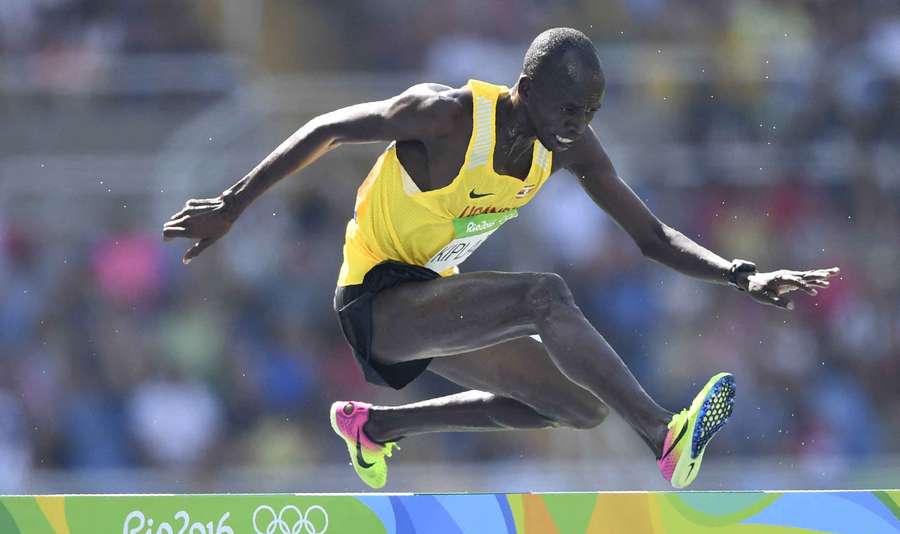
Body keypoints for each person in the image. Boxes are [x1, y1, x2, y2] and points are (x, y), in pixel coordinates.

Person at [163, 28, 839, 490]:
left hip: (433, 301)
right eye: (568, 107)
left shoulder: (567, 146)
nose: (578, 124)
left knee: (576, 406)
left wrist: (739, 273)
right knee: (541, 295)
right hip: (374, 299)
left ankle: (375, 428)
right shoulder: (448, 116)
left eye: (592, 111)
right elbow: (329, 129)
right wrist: (232, 204)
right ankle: (664, 435)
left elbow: (651, 237)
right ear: (526, 87)